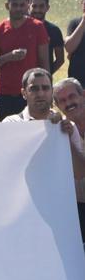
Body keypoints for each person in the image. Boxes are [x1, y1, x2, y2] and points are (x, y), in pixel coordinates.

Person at [0, 0, 50, 121]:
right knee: (7, 133)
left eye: (22, 5)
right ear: (7, 5)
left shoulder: (38, 27)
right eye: (15, 5)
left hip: (31, 92)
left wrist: (47, 90)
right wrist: (8, 57)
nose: (18, 8)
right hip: (5, 92)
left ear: (28, 5)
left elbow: (44, 61)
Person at [53, 77, 85, 244]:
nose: (68, 103)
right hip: (77, 209)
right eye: (62, 101)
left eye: (72, 97)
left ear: (83, 96)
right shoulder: (62, 130)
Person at [29, 0, 64, 75]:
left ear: (47, 8)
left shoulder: (54, 30)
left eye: (41, 6)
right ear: (28, 7)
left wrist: (46, 75)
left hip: (44, 79)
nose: (37, 10)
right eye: (34, 6)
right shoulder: (21, 28)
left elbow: (60, 60)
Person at [64, 0, 85, 85]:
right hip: (78, 79)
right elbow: (69, 48)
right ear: (82, 2)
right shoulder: (75, 23)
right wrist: (83, 22)